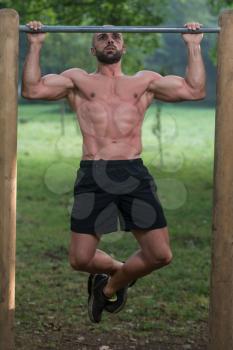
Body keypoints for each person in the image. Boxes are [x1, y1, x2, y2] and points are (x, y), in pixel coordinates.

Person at [22, 21, 206, 323]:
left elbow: (194, 90)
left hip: (133, 173)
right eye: (102, 37)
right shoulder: (77, 80)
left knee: (160, 255)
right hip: (93, 173)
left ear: (124, 46)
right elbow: (32, 88)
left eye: (116, 37)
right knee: (80, 259)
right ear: (92, 48)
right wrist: (36, 44)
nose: (110, 41)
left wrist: (193, 44)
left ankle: (108, 288)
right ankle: (117, 270)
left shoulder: (144, 81)